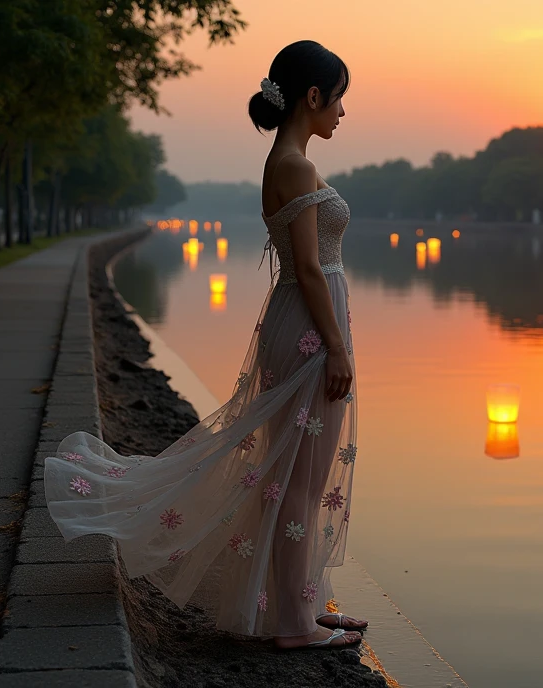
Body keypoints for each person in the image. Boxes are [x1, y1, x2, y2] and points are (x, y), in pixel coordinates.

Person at [44, 40, 366, 650]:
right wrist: (338, 348)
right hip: (308, 328)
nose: (344, 114)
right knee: (298, 481)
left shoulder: (292, 159)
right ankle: (296, 626)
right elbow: (307, 267)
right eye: (341, 98)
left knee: (290, 476)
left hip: (303, 324)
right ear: (314, 96)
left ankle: (300, 607)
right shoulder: (294, 164)